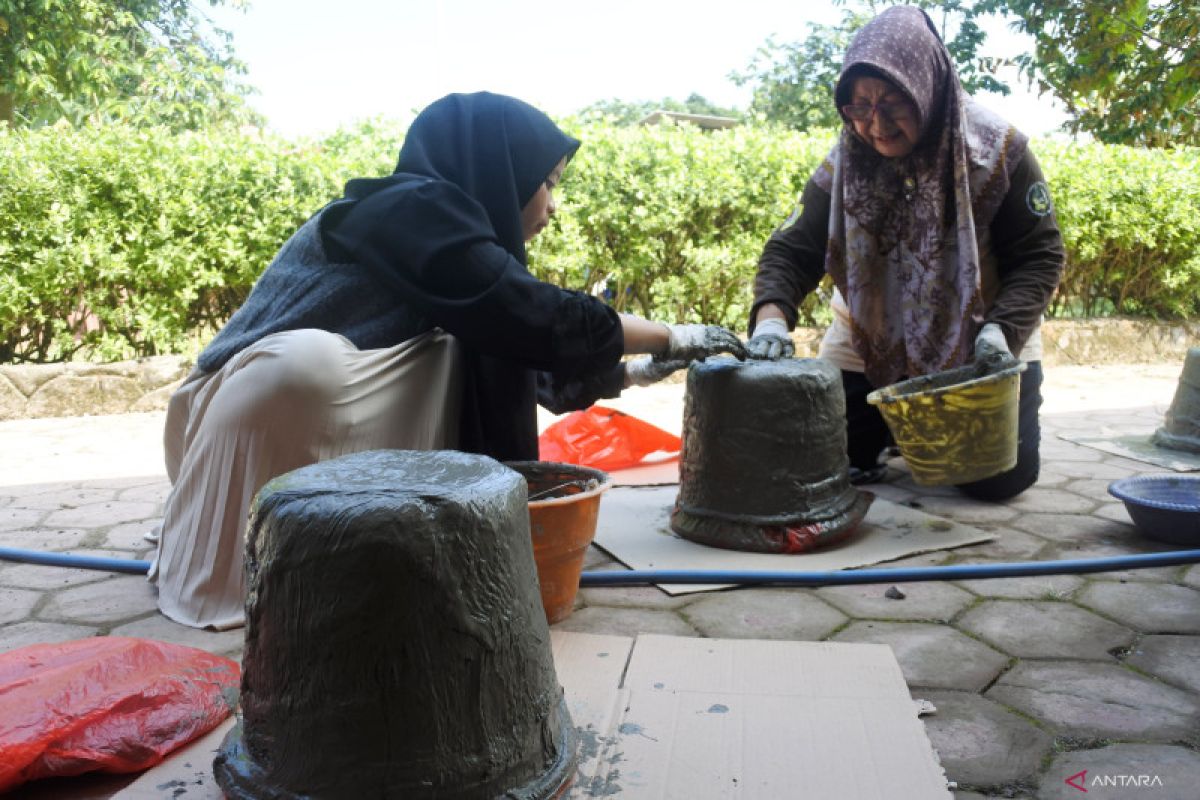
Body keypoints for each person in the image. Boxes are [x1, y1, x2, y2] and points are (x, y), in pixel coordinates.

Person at [150, 92, 746, 629]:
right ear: (503, 171)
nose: (553, 206)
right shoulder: (407, 208)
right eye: (550, 182)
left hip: (302, 433)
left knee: (454, 342)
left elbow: (514, 349)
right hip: (237, 424)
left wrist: (635, 372)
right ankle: (267, 565)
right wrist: (673, 334)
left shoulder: (451, 250)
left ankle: (371, 555)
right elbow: (526, 313)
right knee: (311, 361)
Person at [745, 6, 1064, 500]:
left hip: (982, 339)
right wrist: (770, 319)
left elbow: (1040, 256)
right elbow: (793, 247)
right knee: (830, 463)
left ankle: (911, 428)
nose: (876, 124)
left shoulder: (998, 152)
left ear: (927, 87)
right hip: (870, 338)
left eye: (893, 103)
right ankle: (889, 431)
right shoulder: (846, 158)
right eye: (859, 107)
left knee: (995, 479)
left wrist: (1003, 332)